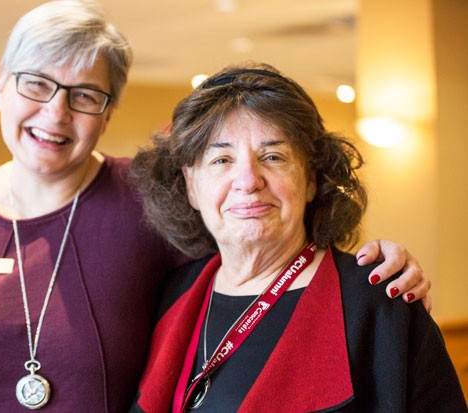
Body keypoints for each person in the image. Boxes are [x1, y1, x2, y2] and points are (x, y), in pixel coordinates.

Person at [0, 1, 432, 412]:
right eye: (35, 84)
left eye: (85, 95)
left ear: (108, 112)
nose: (56, 114)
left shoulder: (142, 205)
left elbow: (257, 238)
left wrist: (382, 266)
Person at [128, 63, 466, 412]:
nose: (248, 180)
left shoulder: (379, 306)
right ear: (191, 187)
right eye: (221, 159)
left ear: (311, 180)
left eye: (272, 157)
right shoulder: (171, 294)